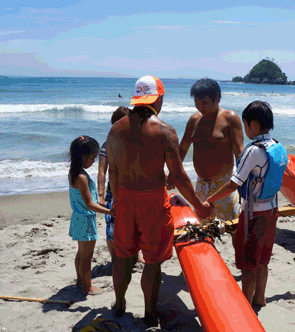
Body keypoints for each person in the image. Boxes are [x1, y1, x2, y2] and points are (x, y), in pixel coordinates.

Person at [105, 75, 211, 327]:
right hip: (152, 201)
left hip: (125, 200)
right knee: (152, 261)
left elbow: (113, 170)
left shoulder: (115, 129)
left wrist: (117, 201)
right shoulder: (164, 131)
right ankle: (150, 314)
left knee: (121, 257)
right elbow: (178, 176)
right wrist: (198, 205)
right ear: (159, 97)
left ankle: (119, 304)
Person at [204, 101, 287, 307]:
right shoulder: (278, 146)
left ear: (255, 124)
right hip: (272, 210)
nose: (245, 129)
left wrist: (209, 199)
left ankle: (246, 306)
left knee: (249, 262)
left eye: (246, 124)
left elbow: (234, 183)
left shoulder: (254, 151)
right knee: (263, 259)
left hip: (254, 214)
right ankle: (260, 297)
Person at [168, 78, 243, 228]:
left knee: (234, 226)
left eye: (204, 103)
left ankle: (239, 252)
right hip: (201, 185)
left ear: (217, 98)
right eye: (196, 103)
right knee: (204, 227)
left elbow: (239, 151)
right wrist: (172, 174)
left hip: (224, 183)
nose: (200, 107)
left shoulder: (230, 118)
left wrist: (242, 181)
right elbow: (182, 148)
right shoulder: (194, 120)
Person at [97, 106, 142, 304]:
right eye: (120, 121)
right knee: (112, 227)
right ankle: (115, 257)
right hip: (113, 191)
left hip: (134, 190)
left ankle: (135, 255)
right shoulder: (108, 143)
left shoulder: (138, 140)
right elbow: (101, 171)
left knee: (136, 225)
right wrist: (100, 195)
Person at [68, 135, 113, 296]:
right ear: (83, 156)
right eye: (92, 158)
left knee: (81, 253)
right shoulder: (81, 178)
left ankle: (81, 280)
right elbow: (89, 204)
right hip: (85, 219)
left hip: (78, 218)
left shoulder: (75, 172)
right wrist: (109, 211)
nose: (94, 161)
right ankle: (86, 287)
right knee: (87, 256)